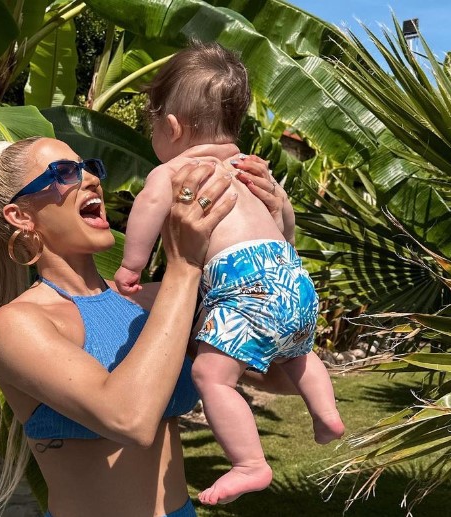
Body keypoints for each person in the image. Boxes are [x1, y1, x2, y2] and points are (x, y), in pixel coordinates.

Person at [0, 133, 296, 517]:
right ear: (21, 216)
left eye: (88, 166)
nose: (90, 178)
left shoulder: (155, 302)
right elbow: (129, 418)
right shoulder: (19, 325)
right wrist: (184, 266)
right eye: (63, 173)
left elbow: (279, 375)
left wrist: (277, 236)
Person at [114, 42, 345, 506]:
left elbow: (149, 208)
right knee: (298, 356)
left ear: (171, 126)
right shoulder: (250, 170)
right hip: (292, 279)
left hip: (246, 285)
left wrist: (130, 265)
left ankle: (250, 464)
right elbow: (284, 220)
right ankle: (326, 414)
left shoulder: (176, 171)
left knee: (211, 376)